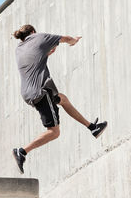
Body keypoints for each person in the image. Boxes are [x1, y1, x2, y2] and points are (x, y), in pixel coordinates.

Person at [12, 24, 107, 174]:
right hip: (40, 92)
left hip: (28, 92)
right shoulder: (39, 37)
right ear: (33, 32)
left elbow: (34, 58)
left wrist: (47, 53)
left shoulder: (19, 49)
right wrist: (74, 41)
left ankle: (92, 128)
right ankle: (22, 151)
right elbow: (66, 39)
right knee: (54, 132)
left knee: (62, 99)